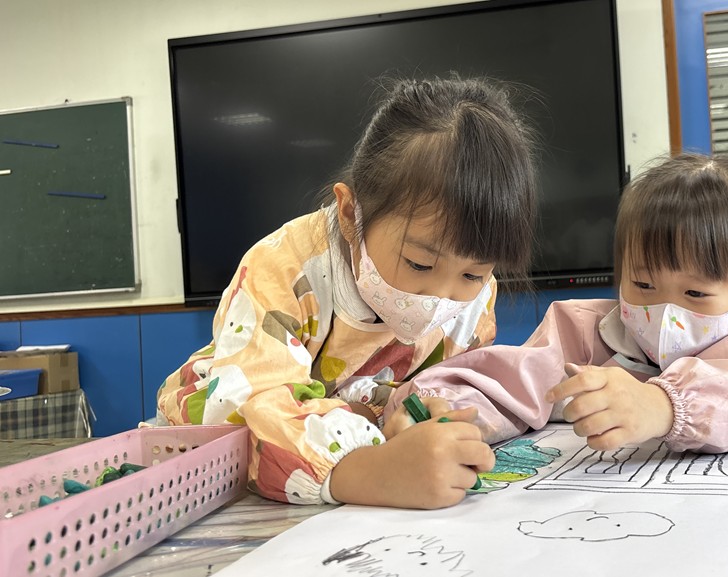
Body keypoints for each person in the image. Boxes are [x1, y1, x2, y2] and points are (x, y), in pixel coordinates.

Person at [156, 75, 538, 508]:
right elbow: (250, 410)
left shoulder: (475, 299)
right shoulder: (285, 268)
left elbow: (456, 382)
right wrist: (370, 472)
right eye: (419, 264)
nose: (441, 296)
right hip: (205, 460)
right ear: (351, 213)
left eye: (473, 275)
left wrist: (428, 416)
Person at [383, 152, 728, 454]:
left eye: (695, 294)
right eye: (643, 284)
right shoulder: (580, 331)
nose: (664, 314)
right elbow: (508, 384)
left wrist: (663, 405)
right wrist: (443, 408)